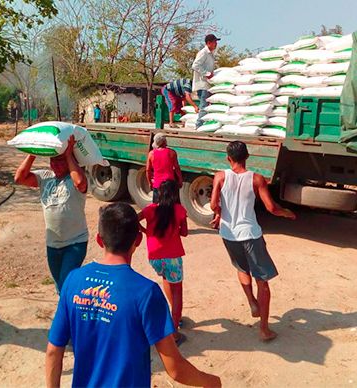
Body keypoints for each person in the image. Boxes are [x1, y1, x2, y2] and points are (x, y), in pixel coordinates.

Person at [45, 202, 221, 388]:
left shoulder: (73, 281)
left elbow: (53, 352)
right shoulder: (146, 292)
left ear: (99, 240)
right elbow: (175, 369)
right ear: (138, 240)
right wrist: (211, 382)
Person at [210, 141, 296, 342]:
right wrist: (287, 213)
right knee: (262, 281)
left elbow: (214, 203)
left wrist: (219, 214)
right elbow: (271, 208)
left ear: (228, 158)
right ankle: (264, 329)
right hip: (250, 234)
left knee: (241, 268)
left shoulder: (220, 177)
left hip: (228, 234)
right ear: (247, 157)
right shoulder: (256, 179)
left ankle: (252, 302)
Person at [14, 136, 88, 293]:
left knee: (65, 285)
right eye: (53, 160)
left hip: (75, 243)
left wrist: (68, 154)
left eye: (60, 160)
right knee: (60, 287)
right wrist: (32, 153)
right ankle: (70, 311)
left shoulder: (75, 178)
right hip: (53, 244)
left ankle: (67, 316)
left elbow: (81, 183)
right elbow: (19, 178)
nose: (56, 164)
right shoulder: (45, 177)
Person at [138, 180, 187, 344]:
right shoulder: (179, 210)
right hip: (173, 257)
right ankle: (175, 332)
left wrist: (147, 232)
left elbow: (133, 219)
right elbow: (185, 233)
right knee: (178, 291)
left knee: (166, 279)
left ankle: (174, 318)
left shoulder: (150, 209)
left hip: (155, 257)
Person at [192, 34, 220, 129]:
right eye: (214, 42)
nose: (216, 44)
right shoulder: (203, 52)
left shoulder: (210, 53)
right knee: (204, 106)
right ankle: (199, 125)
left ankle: (203, 125)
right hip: (202, 84)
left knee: (206, 106)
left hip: (207, 84)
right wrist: (207, 73)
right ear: (208, 43)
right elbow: (195, 65)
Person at [146, 133, 182, 203]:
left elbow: (148, 170)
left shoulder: (151, 154)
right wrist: (180, 180)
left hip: (157, 184)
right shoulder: (172, 153)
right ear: (165, 142)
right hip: (170, 184)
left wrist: (149, 183)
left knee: (156, 207)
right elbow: (177, 168)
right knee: (174, 206)